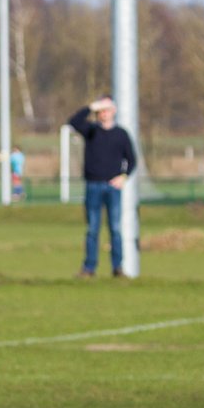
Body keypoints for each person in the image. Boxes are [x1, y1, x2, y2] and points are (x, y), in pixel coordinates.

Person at [68, 95, 137, 278]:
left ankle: (118, 267)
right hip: (93, 185)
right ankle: (89, 267)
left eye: (107, 110)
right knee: (92, 229)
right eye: (100, 111)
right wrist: (91, 106)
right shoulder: (91, 131)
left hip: (112, 187)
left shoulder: (121, 134)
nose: (103, 114)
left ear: (113, 111)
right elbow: (73, 122)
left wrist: (123, 177)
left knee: (115, 228)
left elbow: (132, 160)